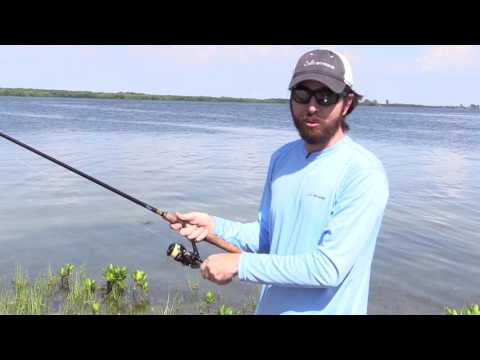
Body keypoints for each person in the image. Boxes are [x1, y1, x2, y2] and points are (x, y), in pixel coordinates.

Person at [170, 49, 389, 315]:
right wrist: (214, 226)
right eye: (301, 94)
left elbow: (328, 268)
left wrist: (240, 265)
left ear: (347, 103)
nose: (311, 106)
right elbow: (266, 237)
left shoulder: (363, 171)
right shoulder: (282, 158)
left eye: (325, 96)